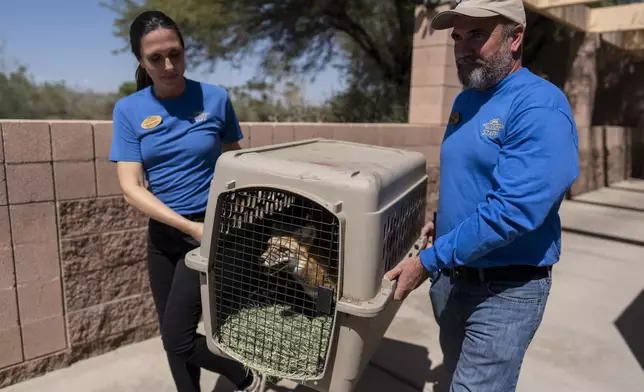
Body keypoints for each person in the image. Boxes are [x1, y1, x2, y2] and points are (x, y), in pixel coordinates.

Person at [385, 0, 580, 390]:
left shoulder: (539, 105)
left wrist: (428, 261)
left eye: (477, 35)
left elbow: (513, 210)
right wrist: (441, 222)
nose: (463, 47)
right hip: (453, 281)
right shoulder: (466, 101)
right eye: (458, 37)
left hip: (505, 293)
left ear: (515, 37)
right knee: (456, 373)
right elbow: (467, 176)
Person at [108, 10, 258, 392]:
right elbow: (131, 187)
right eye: (155, 58)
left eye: (175, 53)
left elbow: (234, 161)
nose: (168, 65)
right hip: (167, 234)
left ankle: (242, 374)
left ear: (186, 51)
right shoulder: (129, 110)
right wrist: (188, 226)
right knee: (174, 337)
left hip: (211, 230)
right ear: (141, 61)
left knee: (177, 336)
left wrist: (239, 218)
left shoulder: (215, 98)